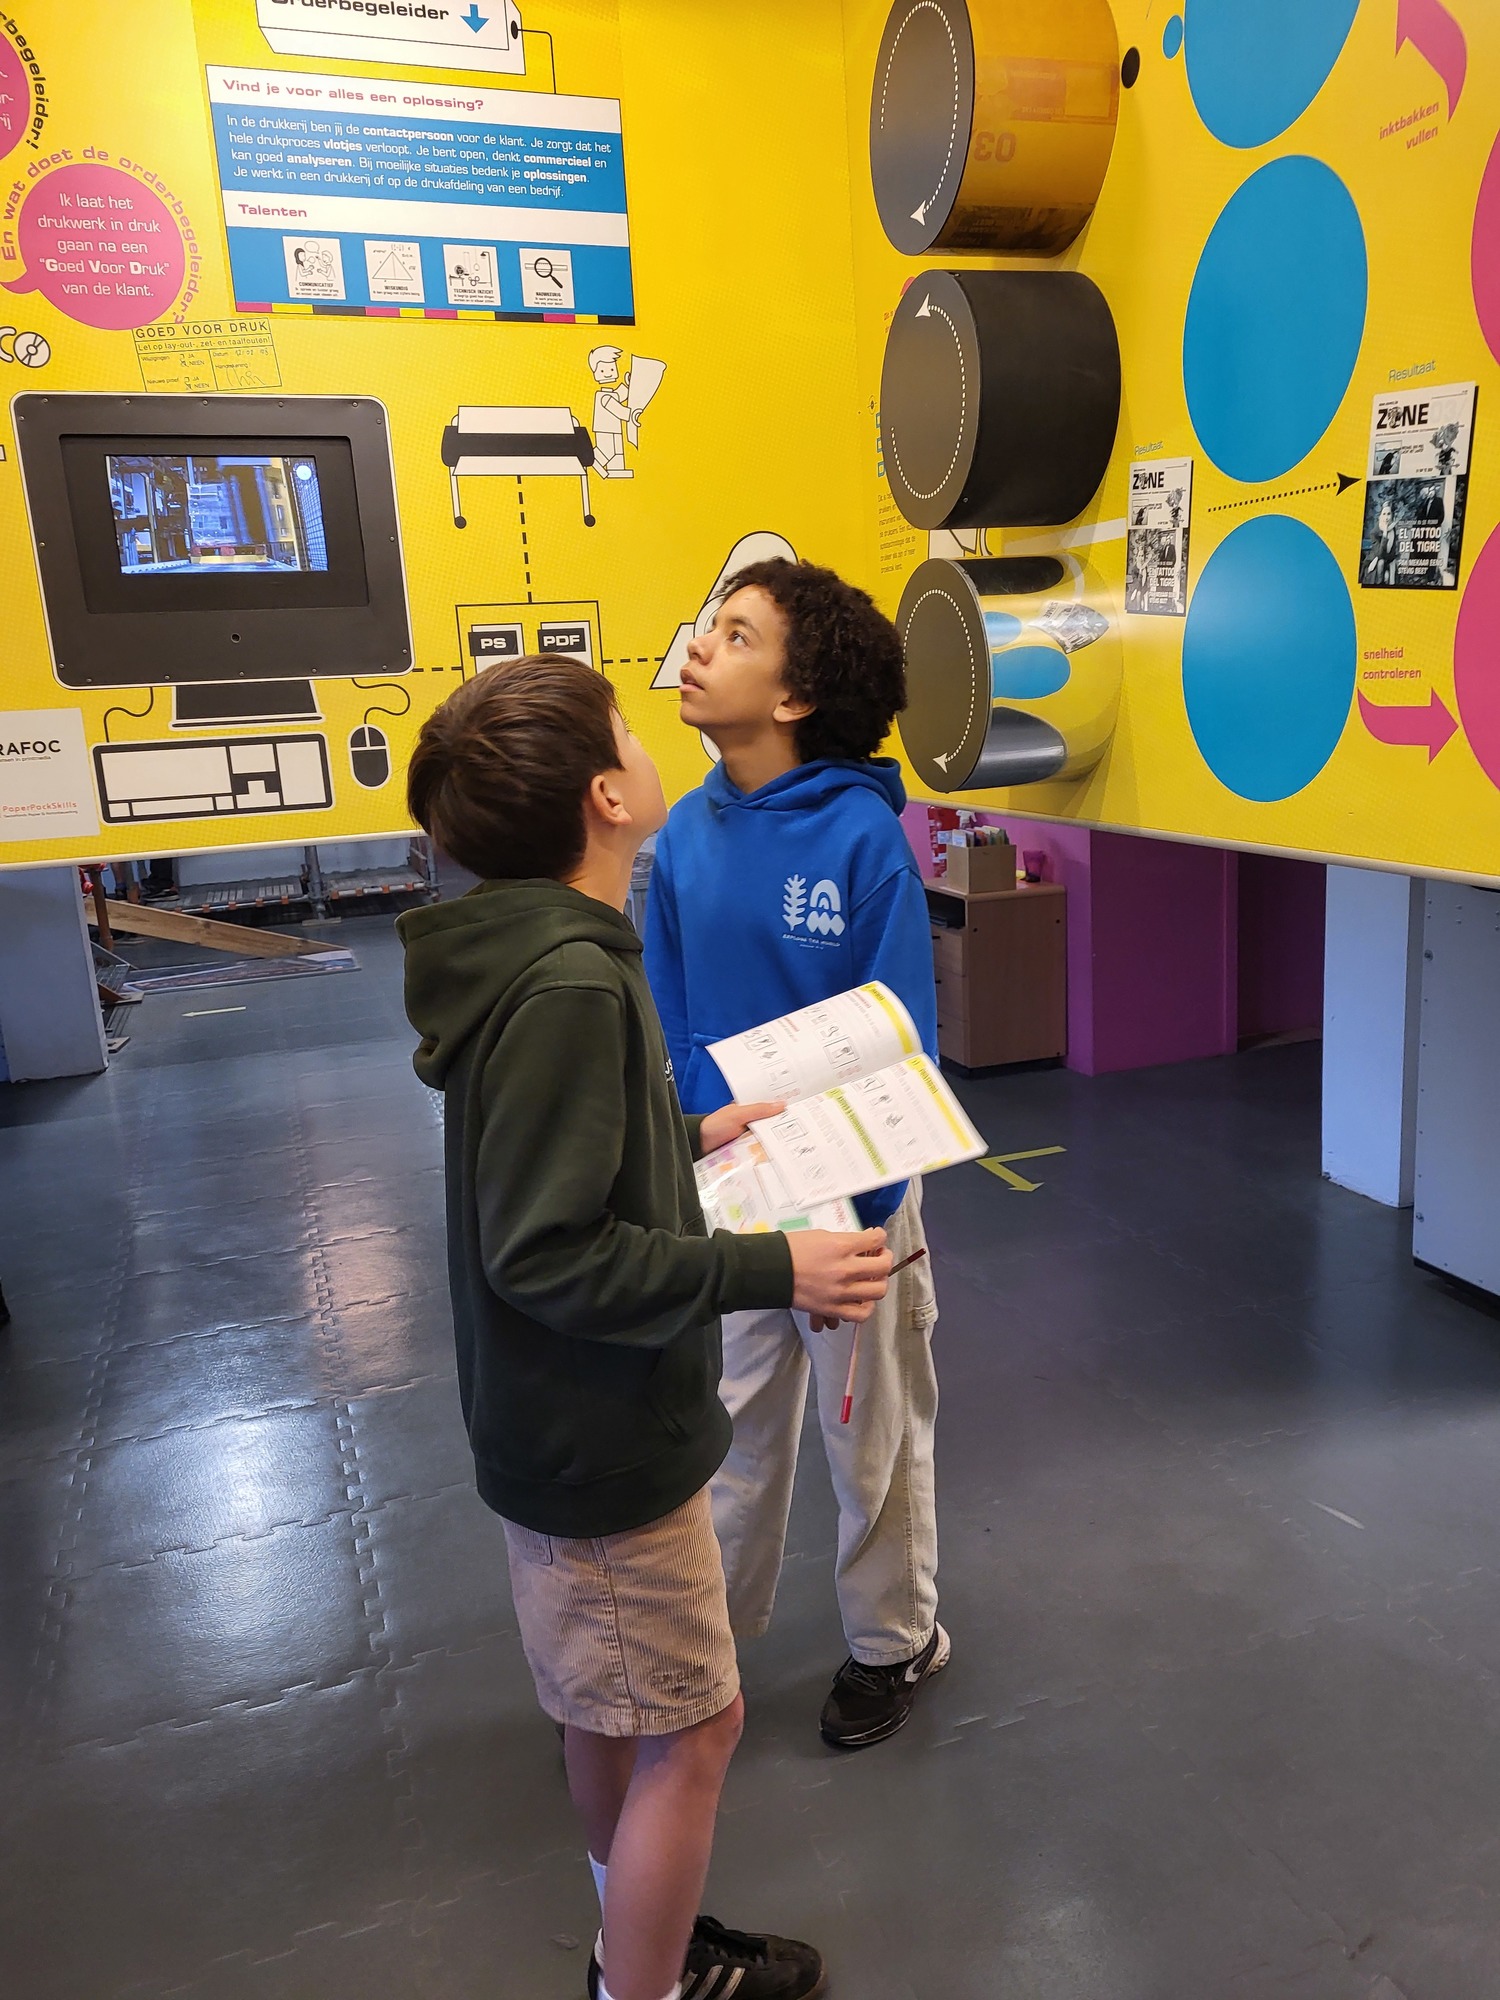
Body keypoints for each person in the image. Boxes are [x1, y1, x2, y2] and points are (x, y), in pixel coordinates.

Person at [398, 656, 891, 2000]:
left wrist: (689, 1130)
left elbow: (567, 1152)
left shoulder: (537, 950)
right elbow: (549, 1251)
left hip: (558, 1424)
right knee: (698, 1724)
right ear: (607, 797)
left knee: (603, 1708)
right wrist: (772, 1264)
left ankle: (636, 1934)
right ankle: (647, 1984)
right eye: (625, 723)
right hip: (604, 1438)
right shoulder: (568, 981)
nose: (652, 719)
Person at [644, 558, 945, 1751]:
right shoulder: (684, 831)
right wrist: (709, 1142)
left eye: (735, 633)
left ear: (796, 694)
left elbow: (898, 1045)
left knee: (871, 1438)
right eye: (708, 625)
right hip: (731, 1186)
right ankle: (702, 1651)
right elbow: (672, 1012)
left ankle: (895, 1640)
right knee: (724, 1425)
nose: (699, 646)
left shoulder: (866, 840)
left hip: (854, 1200)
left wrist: (859, 1223)